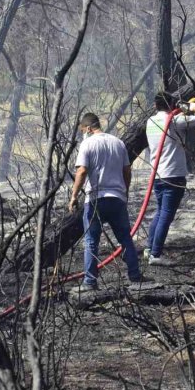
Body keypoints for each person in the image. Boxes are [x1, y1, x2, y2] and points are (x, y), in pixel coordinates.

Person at [68, 112, 144, 292]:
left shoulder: (88, 143)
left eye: (82, 130)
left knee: (91, 241)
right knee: (125, 238)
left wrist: (73, 196)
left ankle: (90, 281)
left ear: (87, 128)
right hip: (117, 199)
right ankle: (135, 275)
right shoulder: (118, 143)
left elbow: (82, 171)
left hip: (95, 199)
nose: (82, 133)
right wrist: (124, 192)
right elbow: (127, 171)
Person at [144, 92, 195, 266]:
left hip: (157, 176)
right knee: (166, 214)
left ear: (156, 106)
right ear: (171, 105)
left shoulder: (150, 122)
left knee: (160, 212)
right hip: (174, 176)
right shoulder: (174, 121)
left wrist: (180, 109)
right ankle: (155, 254)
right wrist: (193, 107)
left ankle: (149, 248)